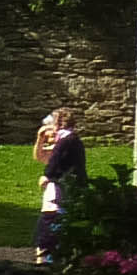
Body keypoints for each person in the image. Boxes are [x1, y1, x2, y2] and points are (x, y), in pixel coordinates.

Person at [32, 106, 89, 264]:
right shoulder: (71, 140)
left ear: (58, 123)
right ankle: (53, 251)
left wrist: (47, 176)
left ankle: (46, 252)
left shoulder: (66, 140)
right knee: (58, 215)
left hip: (63, 186)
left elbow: (56, 161)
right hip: (67, 184)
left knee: (52, 217)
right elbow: (46, 157)